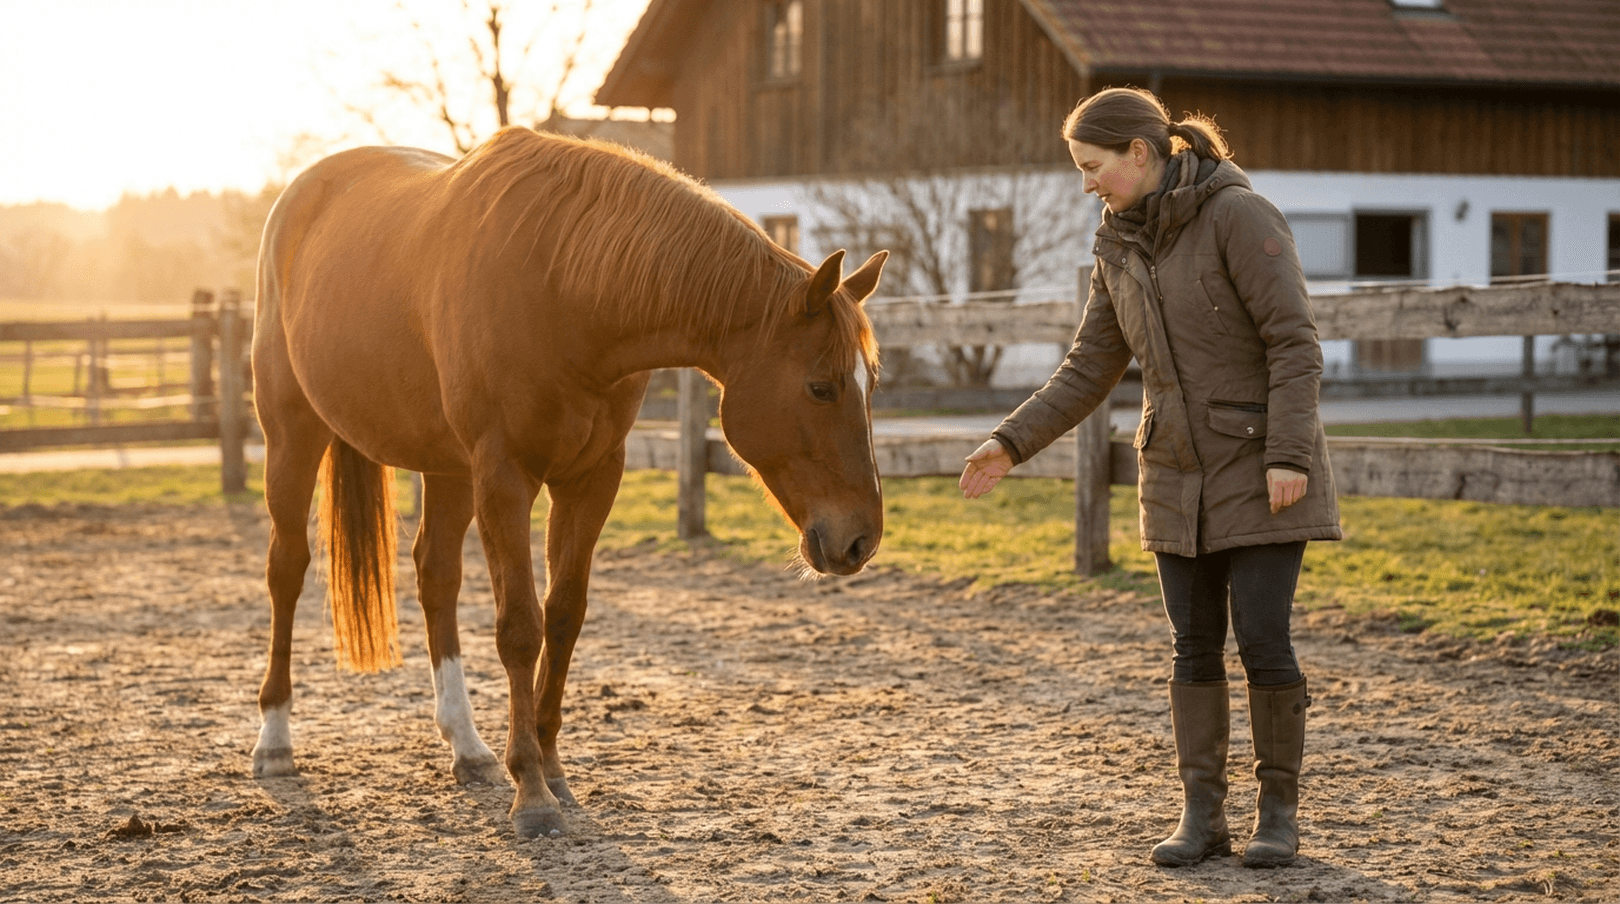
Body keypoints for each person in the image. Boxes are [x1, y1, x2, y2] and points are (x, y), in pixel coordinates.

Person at [958, 87, 1342, 868]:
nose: (1088, 182)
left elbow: (1294, 344)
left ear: (1142, 152)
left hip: (1260, 466)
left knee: (1264, 643)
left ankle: (1279, 816)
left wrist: (1288, 457)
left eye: (1093, 166)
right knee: (1191, 648)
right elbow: (1090, 366)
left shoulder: (1240, 215)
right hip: (1173, 473)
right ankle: (1203, 816)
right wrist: (1010, 442)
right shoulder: (1117, 242)